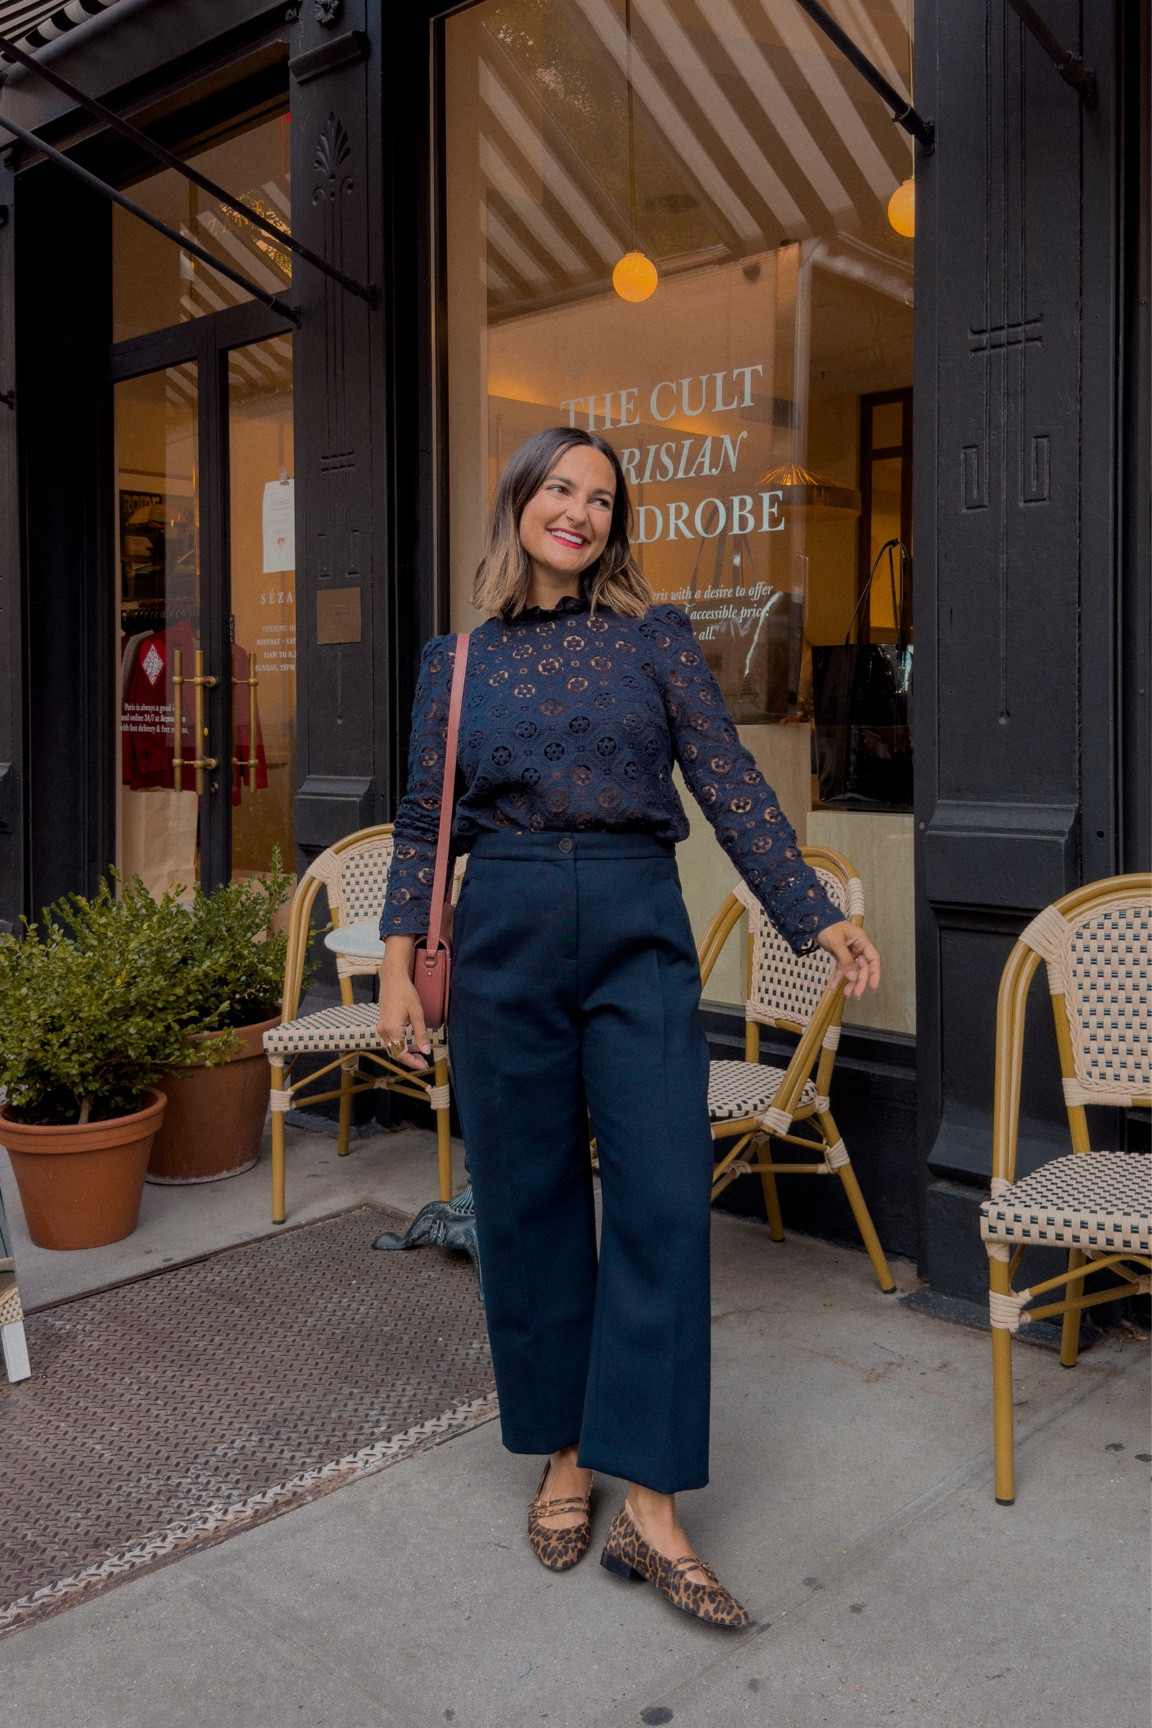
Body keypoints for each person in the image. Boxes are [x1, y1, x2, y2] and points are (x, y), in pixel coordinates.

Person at [377, 426, 880, 1629]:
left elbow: (732, 789)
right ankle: (561, 1453)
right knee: (529, 1200)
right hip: (500, 928)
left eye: (603, 499)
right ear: (520, 505)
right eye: (562, 489)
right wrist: (400, 968)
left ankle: (651, 1505)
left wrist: (812, 918)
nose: (582, 513)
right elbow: (417, 826)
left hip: (636, 925)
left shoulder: (656, 644)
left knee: (661, 1199)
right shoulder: (455, 664)